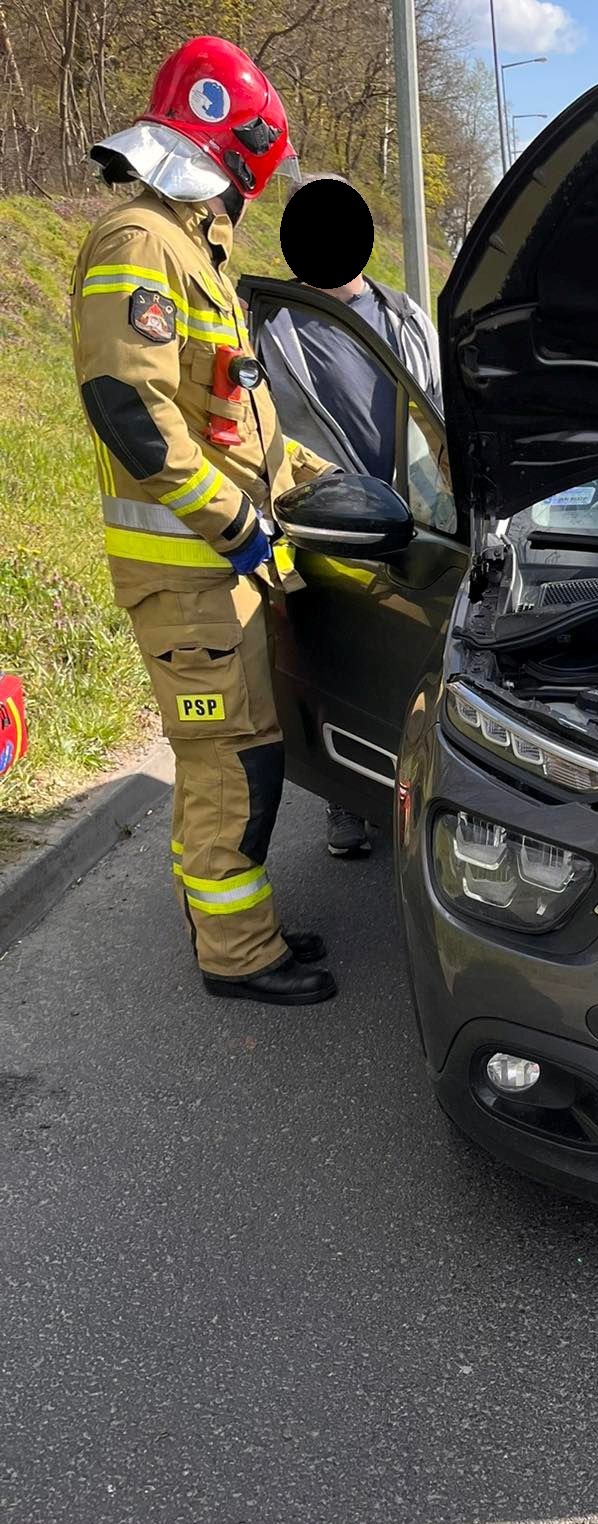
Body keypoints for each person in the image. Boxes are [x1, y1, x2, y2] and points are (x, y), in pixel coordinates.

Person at [70, 36, 337, 1006]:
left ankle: (240, 930)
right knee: (229, 766)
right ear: (234, 152)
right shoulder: (143, 242)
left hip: (214, 578)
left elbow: (229, 421)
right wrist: (237, 526)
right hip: (190, 579)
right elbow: (130, 411)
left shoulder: (191, 250)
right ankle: (237, 955)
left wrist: (321, 481)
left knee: (238, 757)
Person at [258, 174, 441, 859]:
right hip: (326, 520)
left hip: (415, 514)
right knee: (340, 657)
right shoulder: (269, 325)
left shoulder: (402, 314)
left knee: (411, 652)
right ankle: (347, 797)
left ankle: (417, 784)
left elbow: (437, 401)